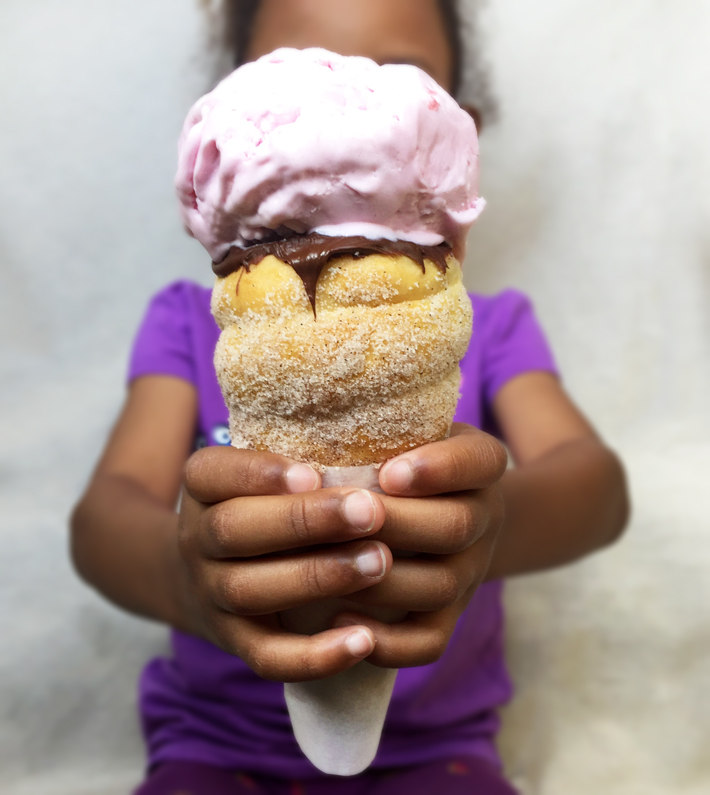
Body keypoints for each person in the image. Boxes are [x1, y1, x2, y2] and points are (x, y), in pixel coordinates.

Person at [70, 1, 630, 793]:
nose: (341, 125)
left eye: (396, 83)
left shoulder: (493, 328)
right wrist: (185, 572)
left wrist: (487, 524)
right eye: (295, 81)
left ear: (454, 137)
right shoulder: (184, 323)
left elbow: (597, 488)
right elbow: (102, 518)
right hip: (217, 742)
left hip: (439, 749)